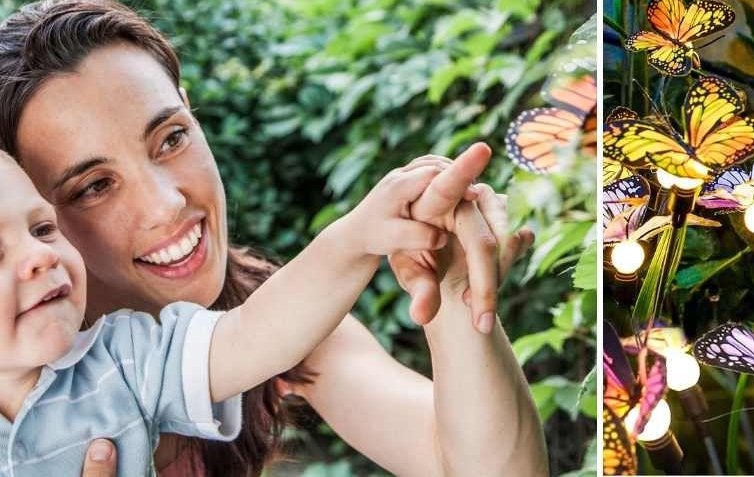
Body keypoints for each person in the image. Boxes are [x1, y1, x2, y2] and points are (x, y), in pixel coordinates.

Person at [0, 0, 548, 476]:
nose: (167, 205)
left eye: (171, 139)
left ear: (193, 115)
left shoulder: (281, 314)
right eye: (94, 186)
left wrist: (456, 296)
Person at [0, 141, 477, 475]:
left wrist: (358, 236)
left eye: (42, 230)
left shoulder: (123, 362)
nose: (41, 256)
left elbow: (253, 333)